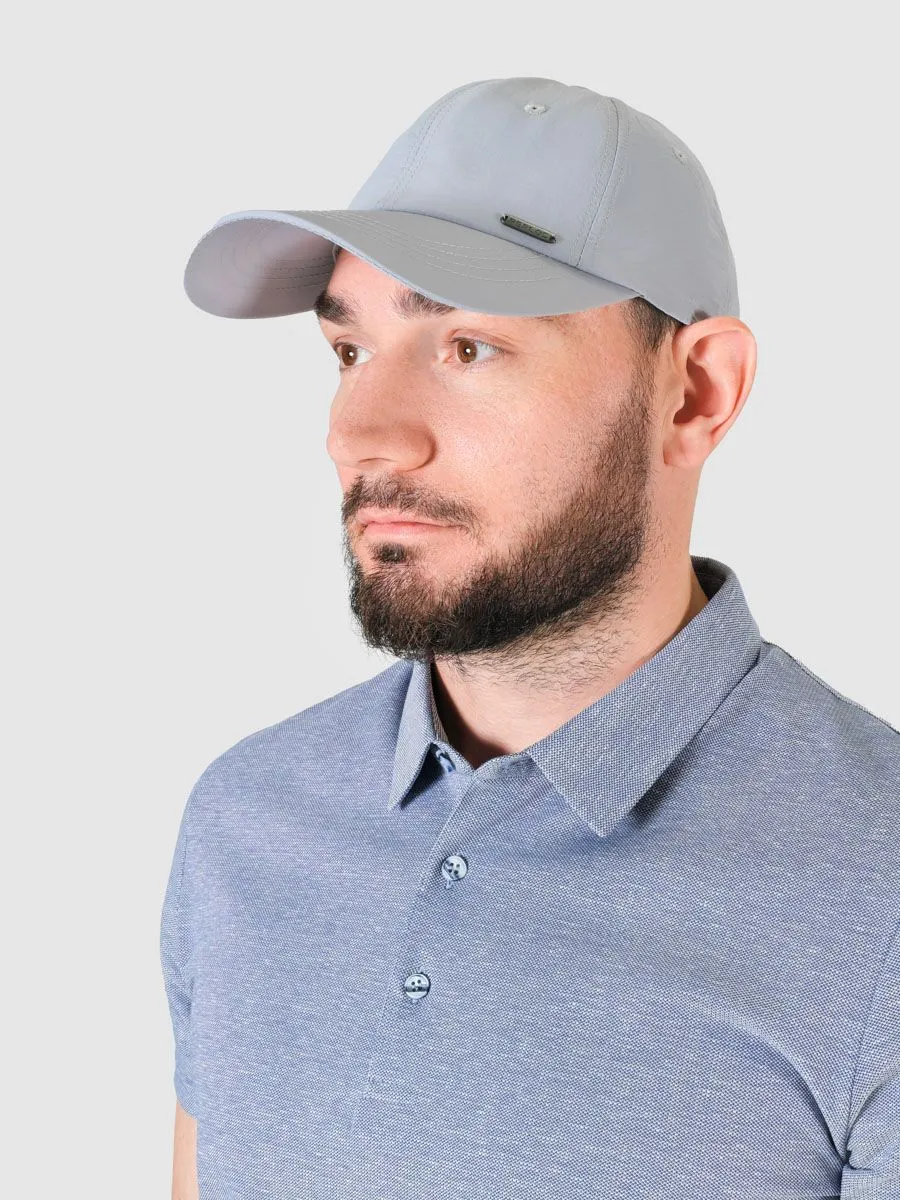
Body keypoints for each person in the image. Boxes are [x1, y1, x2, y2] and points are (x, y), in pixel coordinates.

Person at [162, 76, 899, 1199]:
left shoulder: (876, 884)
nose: (360, 435)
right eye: (350, 351)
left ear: (695, 394)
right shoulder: (248, 821)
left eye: (468, 347)